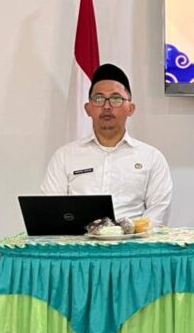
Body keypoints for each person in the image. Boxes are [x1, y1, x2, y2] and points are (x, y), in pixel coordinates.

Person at [41, 63, 172, 225]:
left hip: (134, 239)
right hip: (79, 239)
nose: (107, 106)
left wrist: (129, 233)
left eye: (116, 99)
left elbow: (157, 213)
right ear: (88, 109)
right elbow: (52, 210)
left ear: (131, 108)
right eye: (99, 99)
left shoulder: (151, 158)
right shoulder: (64, 156)